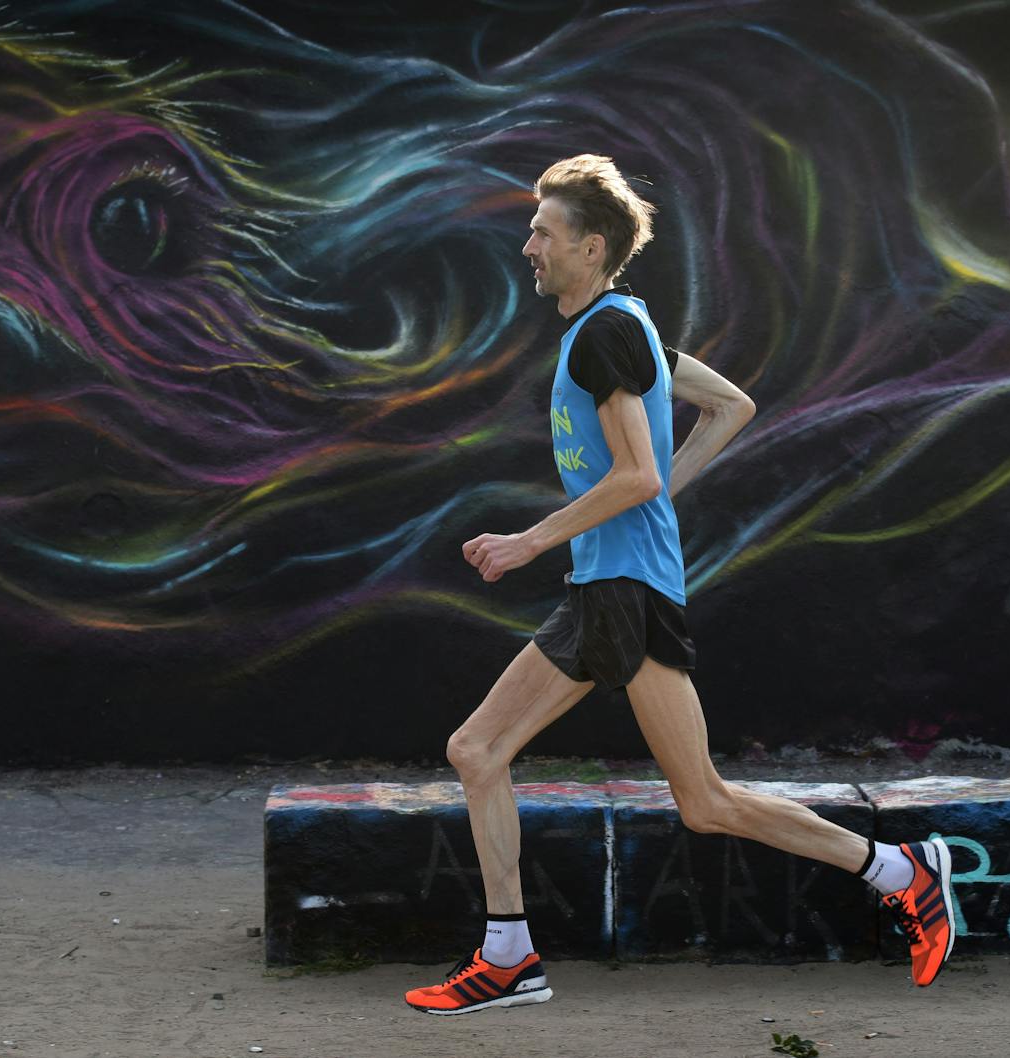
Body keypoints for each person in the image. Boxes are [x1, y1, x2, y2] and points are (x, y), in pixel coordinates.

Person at [404, 155, 955, 1015]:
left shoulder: (605, 335)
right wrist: (653, 494)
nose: (529, 248)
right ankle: (510, 956)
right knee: (482, 752)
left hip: (622, 591)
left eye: (543, 233)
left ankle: (903, 871)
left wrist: (528, 540)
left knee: (701, 800)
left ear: (590, 248)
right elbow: (730, 407)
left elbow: (635, 475)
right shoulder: (632, 329)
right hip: (610, 587)